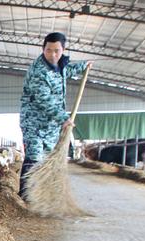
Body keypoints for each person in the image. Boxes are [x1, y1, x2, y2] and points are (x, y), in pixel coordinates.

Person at [19, 32, 92, 197]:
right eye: (49, 50)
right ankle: (25, 196)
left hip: (50, 125)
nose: (52, 54)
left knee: (46, 158)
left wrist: (84, 65)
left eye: (57, 51)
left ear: (63, 50)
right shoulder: (39, 71)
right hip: (34, 122)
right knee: (34, 156)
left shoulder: (59, 66)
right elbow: (44, 100)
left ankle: (41, 194)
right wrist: (63, 119)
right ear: (43, 48)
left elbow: (67, 70)